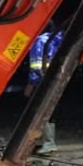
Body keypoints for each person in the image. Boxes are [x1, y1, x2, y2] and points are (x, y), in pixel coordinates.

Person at [26, 20, 64, 152]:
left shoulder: (40, 41)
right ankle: (46, 141)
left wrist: (32, 82)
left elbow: (36, 65)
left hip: (42, 80)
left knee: (40, 111)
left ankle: (48, 143)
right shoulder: (58, 39)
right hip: (55, 80)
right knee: (49, 110)